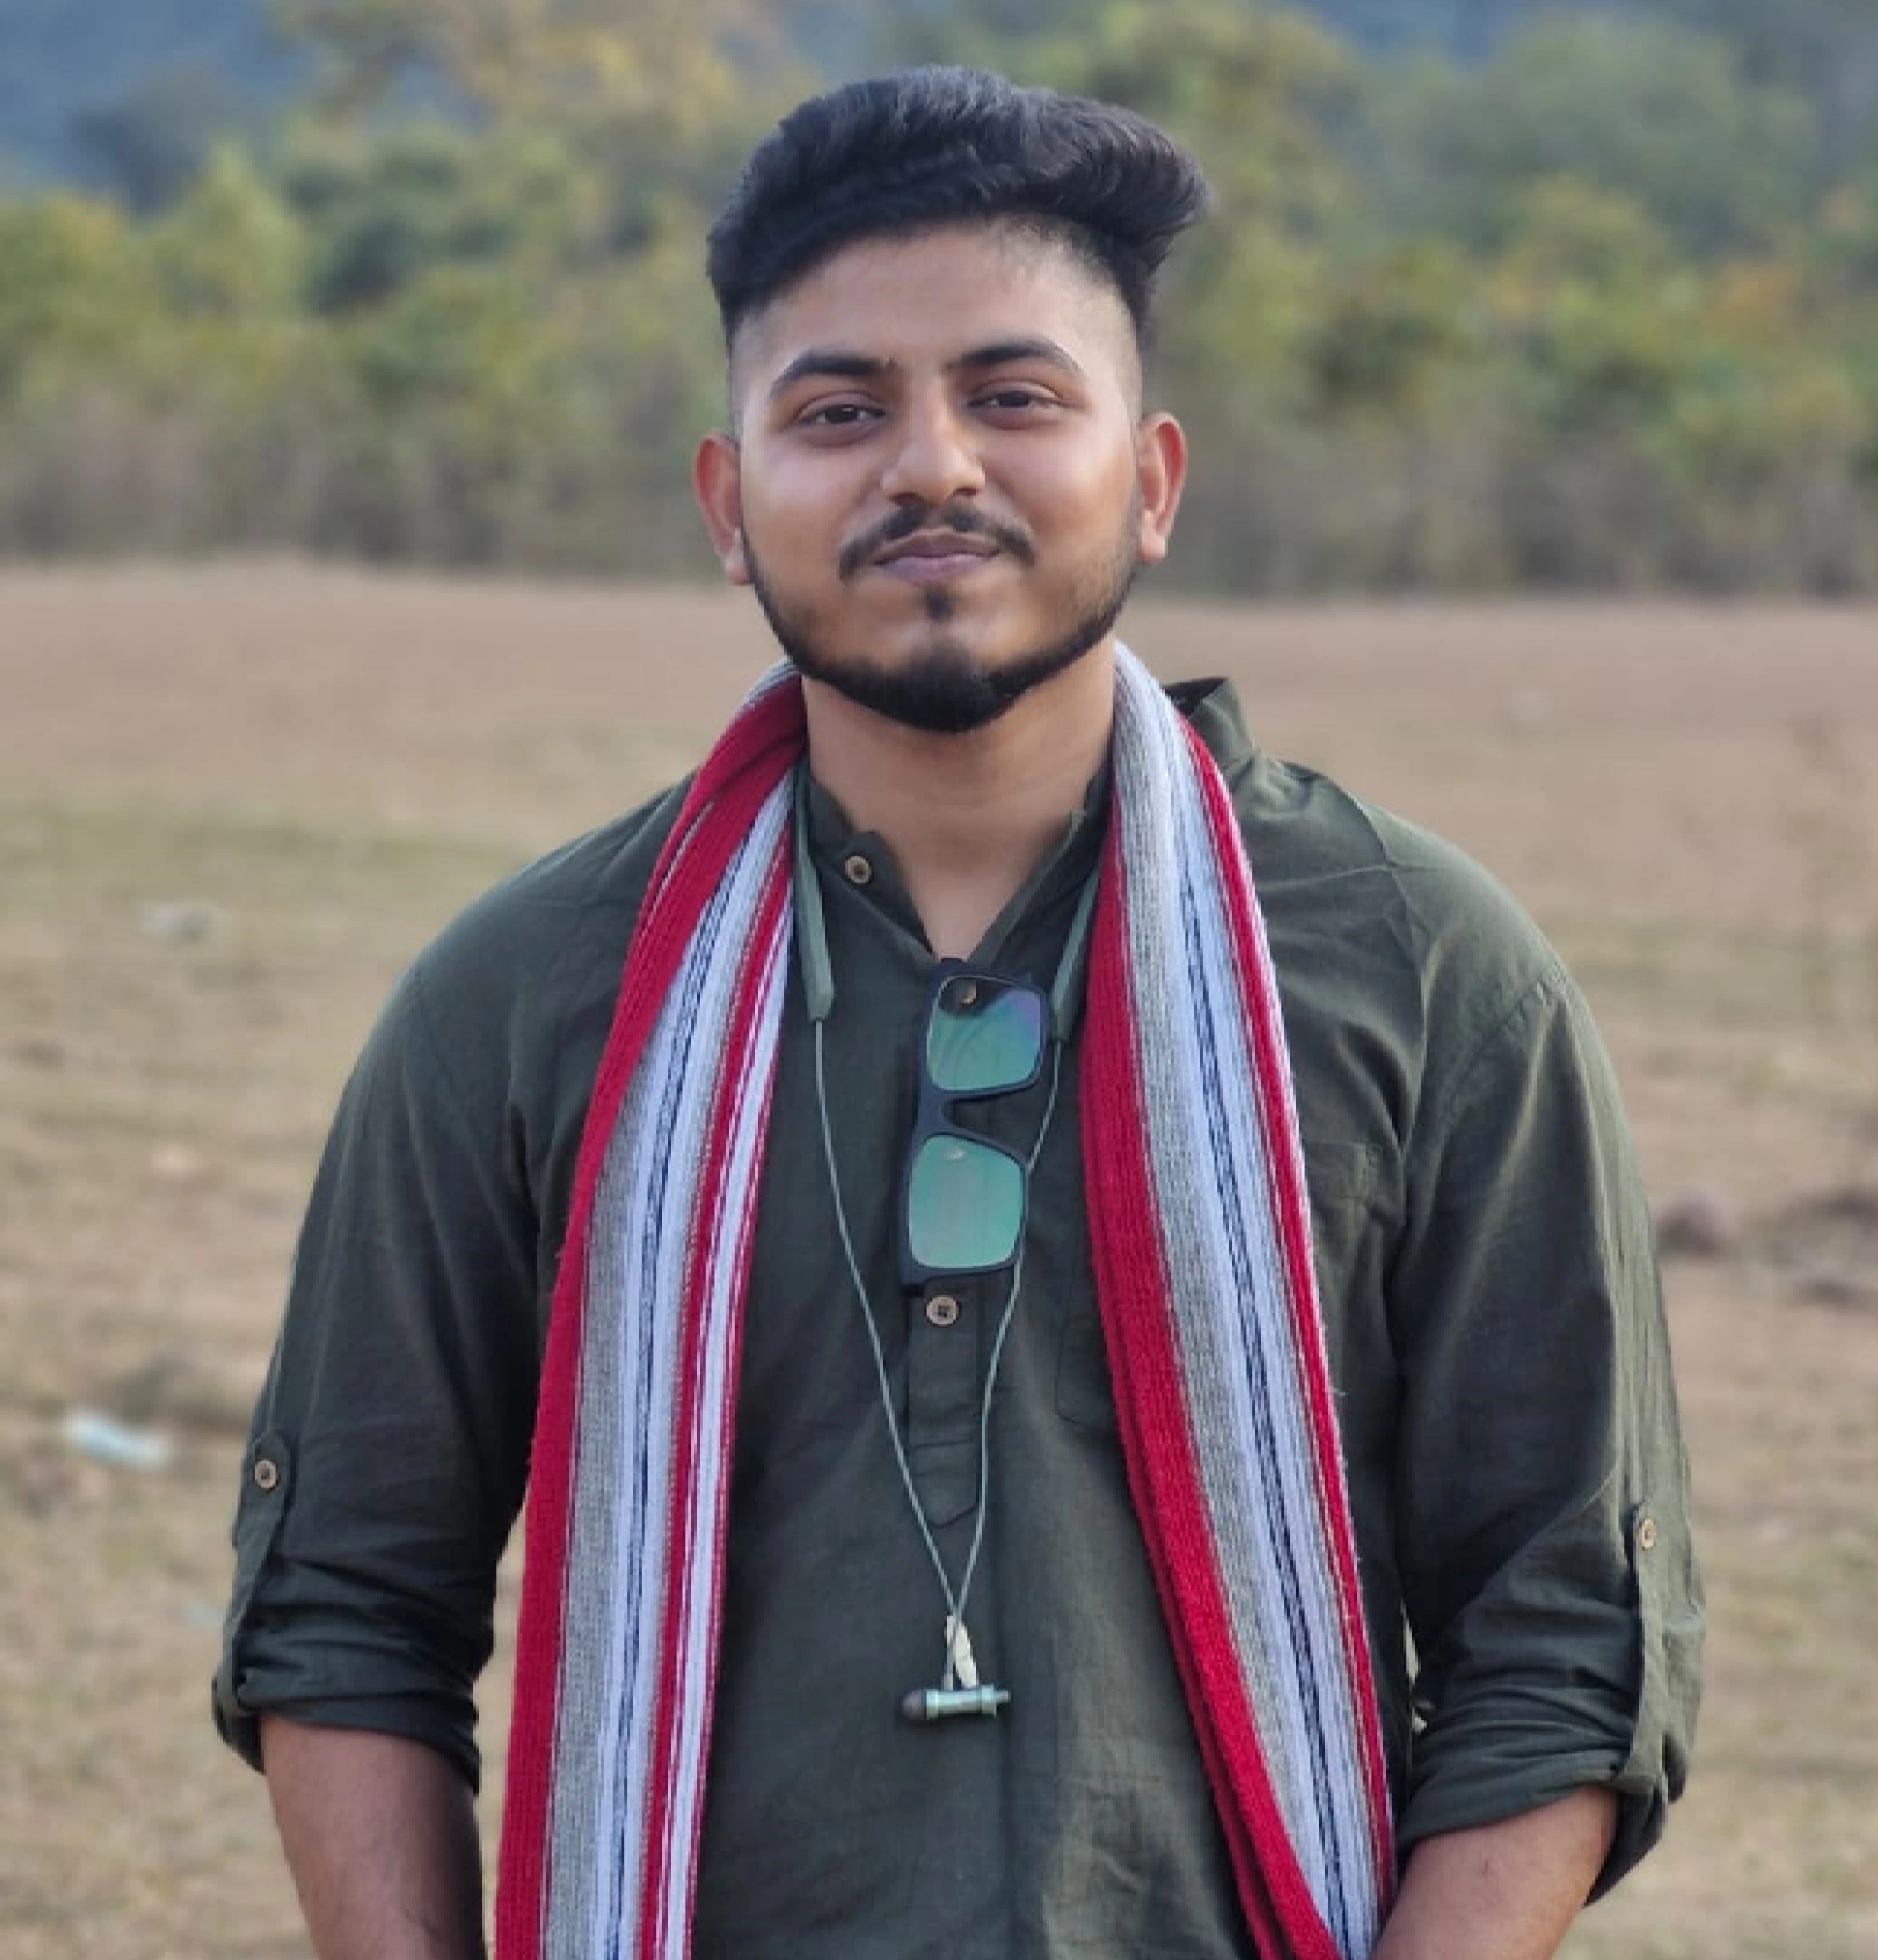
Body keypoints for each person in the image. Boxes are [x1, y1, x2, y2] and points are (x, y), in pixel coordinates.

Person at [214, 65, 1701, 1960]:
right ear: (729, 505)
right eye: (840, 411)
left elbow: (1562, 1632)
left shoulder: (1422, 971)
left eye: (1014, 397)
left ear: (1150, 482)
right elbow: (348, 1607)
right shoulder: (523, 997)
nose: (930, 467)